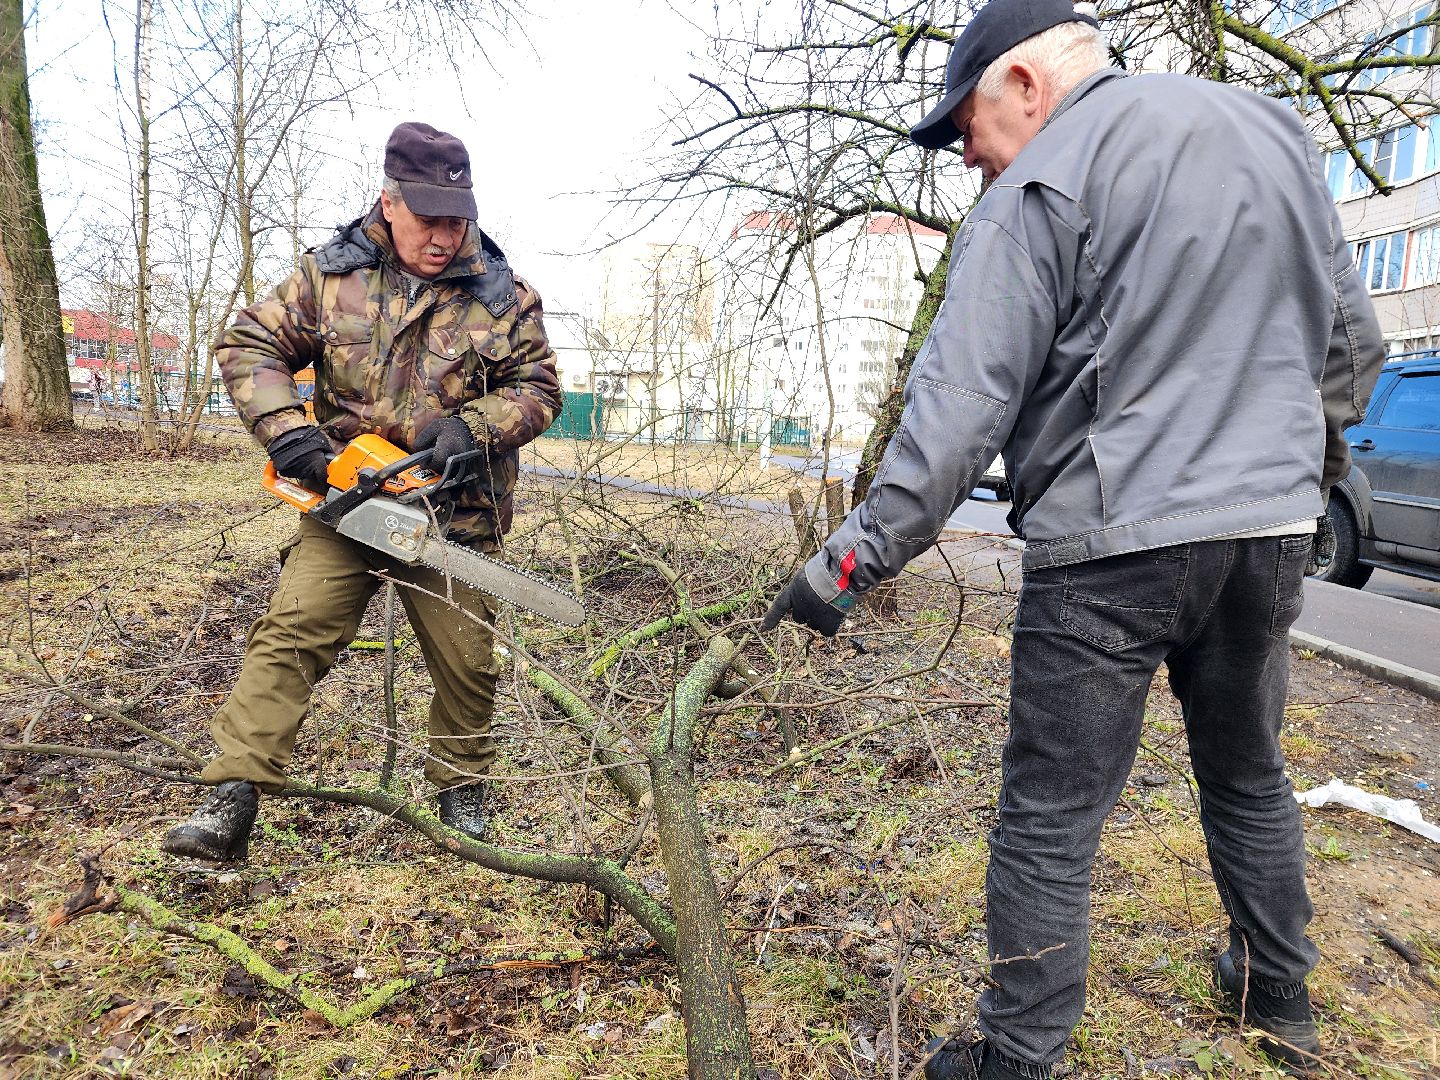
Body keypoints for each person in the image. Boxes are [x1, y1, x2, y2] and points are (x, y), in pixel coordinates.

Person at [763, 1, 1385, 1076]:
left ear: (1024, 82)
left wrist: (844, 565)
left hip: (1111, 552)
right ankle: (1278, 998)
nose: (968, 156)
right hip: (1270, 534)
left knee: (1050, 814)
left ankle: (1018, 1055)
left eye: (966, 126)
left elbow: (956, 420)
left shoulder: (1040, 182)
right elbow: (1353, 345)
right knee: (1249, 772)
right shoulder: (1275, 135)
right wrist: (1302, 474)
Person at [163, 121, 561, 860]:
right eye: (429, 218)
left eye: (456, 218)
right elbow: (249, 342)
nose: (444, 235)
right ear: (389, 200)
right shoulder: (329, 276)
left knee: (468, 658)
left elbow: (537, 387)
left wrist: (472, 430)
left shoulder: (504, 294)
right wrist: (290, 435)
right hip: (348, 500)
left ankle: (459, 789)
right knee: (292, 632)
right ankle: (234, 794)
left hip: (450, 509)